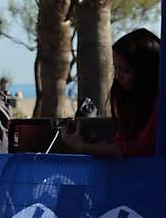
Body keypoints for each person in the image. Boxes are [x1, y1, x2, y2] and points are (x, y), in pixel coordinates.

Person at [57, 28, 160, 159]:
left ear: (146, 71)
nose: (117, 77)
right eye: (115, 69)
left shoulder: (161, 104)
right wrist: (91, 141)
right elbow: (122, 143)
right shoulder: (127, 98)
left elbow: (140, 148)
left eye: (125, 70)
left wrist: (83, 147)